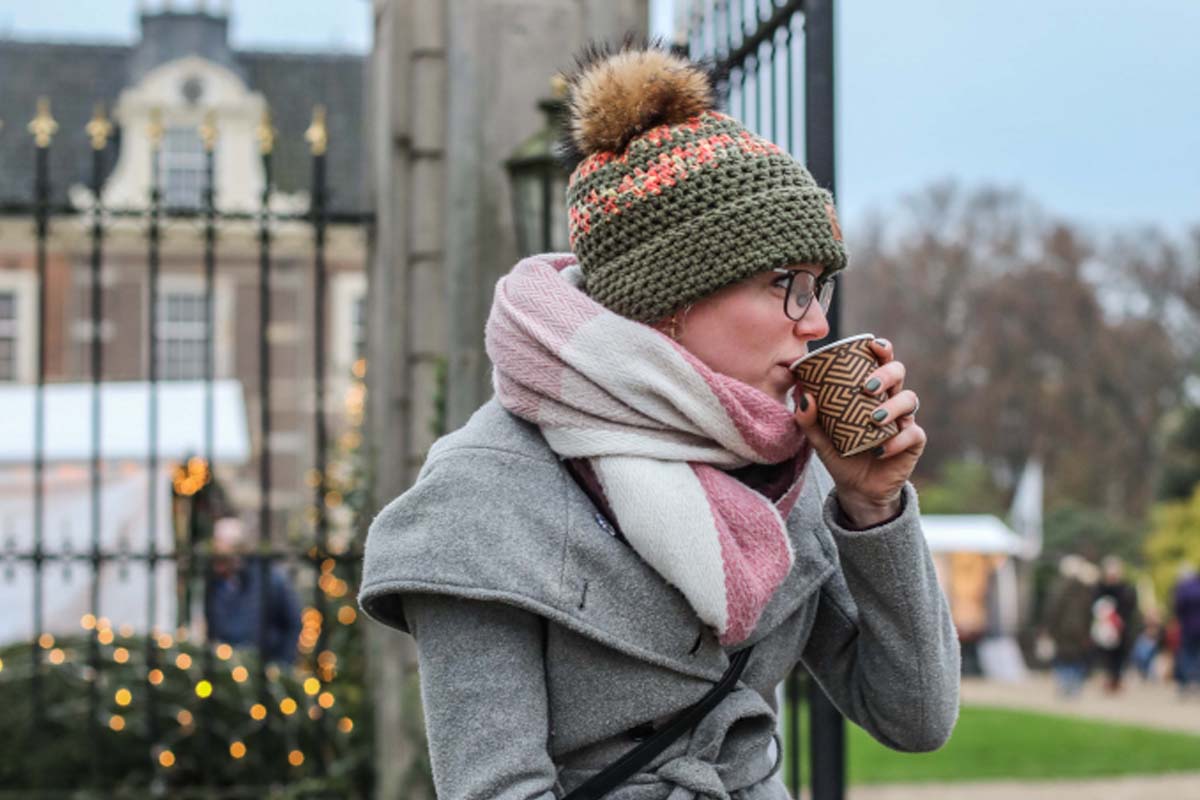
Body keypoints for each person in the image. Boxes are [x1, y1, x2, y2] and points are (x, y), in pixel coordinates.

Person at [359, 45, 960, 799]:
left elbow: (916, 718)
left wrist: (873, 508)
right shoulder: (481, 495)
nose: (814, 324)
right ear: (673, 297)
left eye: (820, 288)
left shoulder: (789, 471)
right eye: (786, 286)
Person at [206, 516, 302, 666]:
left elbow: (292, 623)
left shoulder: (270, 579)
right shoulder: (214, 583)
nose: (218, 563)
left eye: (223, 556)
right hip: (225, 670)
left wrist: (283, 664)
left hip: (264, 668)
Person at [1042, 554, 1099, 697]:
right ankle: (1073, 687)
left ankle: (1064, 686)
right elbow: (1089, 613)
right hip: (1079, 631)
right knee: (1076, 658)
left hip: (1063, 631)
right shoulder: (1084, 588)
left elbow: (1052, 610)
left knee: (1063, 658)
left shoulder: (1059, 588)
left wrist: (1049, 628)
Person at [1092, 555, 1140, 693]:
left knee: (1119, 657)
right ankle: (1109, 679)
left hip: (1121, 629)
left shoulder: (1126, 589)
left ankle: (1116, 680)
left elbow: (1130, 609)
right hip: (1104, 628)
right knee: (1106, 656)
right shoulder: (1100, 588)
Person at [1173, 564, 1200, 696]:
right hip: (1192, 627)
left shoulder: (1184, 588)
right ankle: (1195, 682)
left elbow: (1178, 607)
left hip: (1188, 627)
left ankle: (1187, 683)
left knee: (1187, 655)